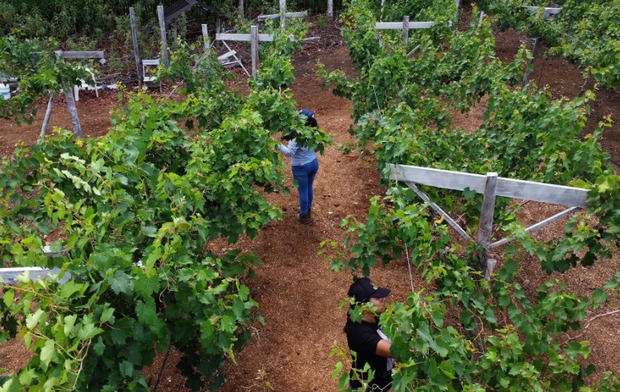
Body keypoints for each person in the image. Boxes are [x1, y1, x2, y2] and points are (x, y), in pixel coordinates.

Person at [345, 277, 394, 391]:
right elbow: (396, 352)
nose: (383, 299)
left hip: (384, 383)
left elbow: (398, 319)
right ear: (363, 305)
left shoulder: (378, 314)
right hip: (366, 388)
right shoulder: (359, 333)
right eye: (377, 298)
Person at [278, 109, 319, 225]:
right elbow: (316, 148)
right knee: (308, 187)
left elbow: (289, 153)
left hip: (301, 167)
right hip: (313, 163)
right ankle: (308, 209)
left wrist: (277, 145)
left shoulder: (297, 136)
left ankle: (304, 215)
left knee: (302, 191)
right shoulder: (315, 131)